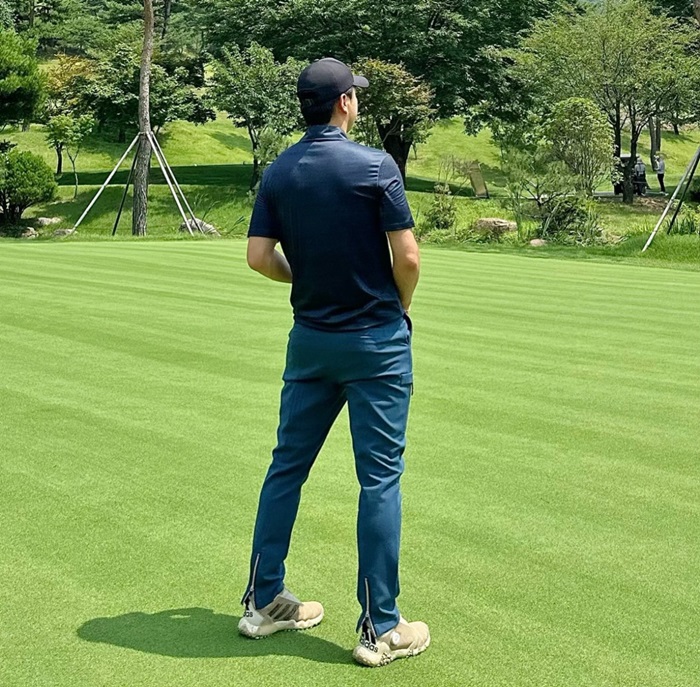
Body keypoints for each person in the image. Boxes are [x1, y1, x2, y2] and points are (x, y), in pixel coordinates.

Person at [238, 57, 429, 668]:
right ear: (345, 101)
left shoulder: (279, 171)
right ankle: (381, 628)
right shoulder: (376, 166)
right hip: (376, 343)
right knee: (379, 479)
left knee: (286, 468)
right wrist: (398, 307)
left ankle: (263, 602)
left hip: (311, 341)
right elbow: (408, 258)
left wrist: (308, 280)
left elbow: (258, 257)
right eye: (356, 95)